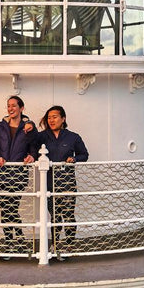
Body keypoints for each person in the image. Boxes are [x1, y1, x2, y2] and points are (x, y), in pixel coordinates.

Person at [36, 105, 89, 261]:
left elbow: (84, 155)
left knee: (68, 214)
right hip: (49, 184)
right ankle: (56, 244)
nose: (51, 120)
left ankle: (70, 243)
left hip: (67, 183)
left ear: (63, 118)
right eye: (49, 117)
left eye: (55, 117)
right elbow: (31, 144)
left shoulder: (73, 137)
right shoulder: (42, 137)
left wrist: (74, 159)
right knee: (54, 215)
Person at [0, 96, 37, 259]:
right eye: (8, 106)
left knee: (11, 207)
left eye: (14, 106)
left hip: (18, 175)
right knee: (6, 209)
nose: (10, 109)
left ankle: (15, 242)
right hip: (0, 174)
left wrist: (31, 157)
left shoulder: (29, 127)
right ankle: (14, 242)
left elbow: (34, 148)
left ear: (21, 108)